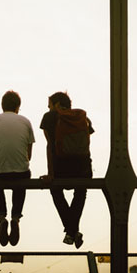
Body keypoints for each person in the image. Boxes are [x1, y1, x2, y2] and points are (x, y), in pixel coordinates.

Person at [40, 92, 94, 248]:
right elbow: (86, 145)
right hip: (83, 169)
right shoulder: (83, 118)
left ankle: (72, 230)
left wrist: (51, 174)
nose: (48, 108)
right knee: (81, 192)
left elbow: (50, 146)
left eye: (49, 105)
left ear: (57, 104)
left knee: (55, 190)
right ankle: (72, 231)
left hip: (61, 168)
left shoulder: (49, 117)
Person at [0, 90, 35, 246]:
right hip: (20, 174)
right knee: (23, 177)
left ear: (2, 105)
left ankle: (1, 217)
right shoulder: (26, 122)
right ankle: (16, 218)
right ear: (18, 106)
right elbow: (28, 156)